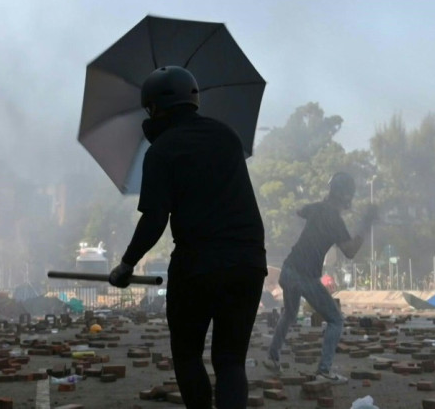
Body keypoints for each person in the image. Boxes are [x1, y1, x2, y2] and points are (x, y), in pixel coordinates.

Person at [108, 66, 267, 409]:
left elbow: (154, 220)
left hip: (199, 265)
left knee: (187, 355)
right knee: (230, 361)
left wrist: (125, 265)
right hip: (249, 263)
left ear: (154, 108)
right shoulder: (227, 136)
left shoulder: (162, 152)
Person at [265, 172, 378, 384]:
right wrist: (365, 226)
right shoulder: (334, 219)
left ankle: (272, 357)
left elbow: (300, 211)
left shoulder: (318, 209)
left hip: (288, 269)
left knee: (289, 313)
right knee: (335, 320)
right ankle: (324, 371)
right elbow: (351, 251)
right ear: (345, 195)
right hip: (305, 276)